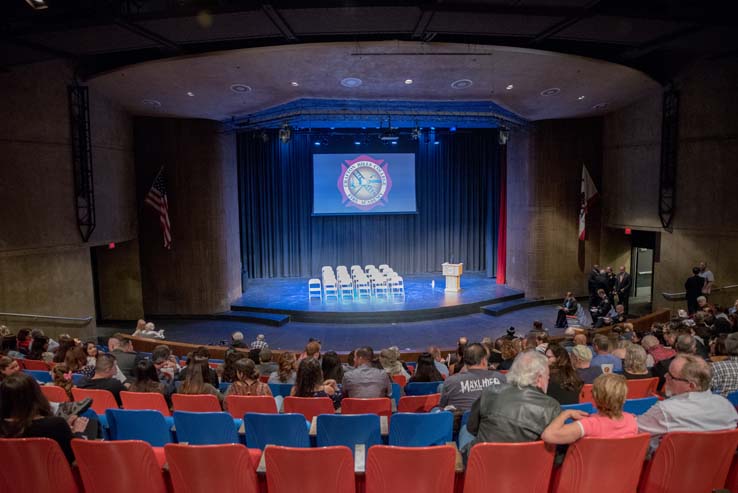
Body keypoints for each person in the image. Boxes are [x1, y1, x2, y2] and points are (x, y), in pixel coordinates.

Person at [638, 354, 738, 452]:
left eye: (671, 376)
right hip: (716, 467)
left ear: (691, 385)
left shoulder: (666, 410)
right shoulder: (726, 406)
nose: (665, 376)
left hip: (671, 467)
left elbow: (633, 431)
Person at [465, 350, 561, 453]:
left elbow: (472, 428)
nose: (548, 379)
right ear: (539, 378)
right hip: (528, 465)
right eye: (547, 376)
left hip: (483, 463)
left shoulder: (491, 391)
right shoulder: (552, 406)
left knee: (464, 431)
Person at [0, 373, 89, 464]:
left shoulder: (4, 427)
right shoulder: (55, 425)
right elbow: (77, 461)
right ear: (36, 395)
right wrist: (78, 433)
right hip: (56, 477)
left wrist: (65, 429)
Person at [542, 373, 638, 444]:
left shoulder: (588, 425)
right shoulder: (632, 421)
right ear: (624, 398)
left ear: (595, 397)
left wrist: (566, 414)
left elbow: (548, 435)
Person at [439, 343, 506, 413]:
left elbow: (442, 408)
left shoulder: (450, 381)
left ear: (465, 361)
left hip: (464, 422)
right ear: (483, 361)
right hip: (494, 421)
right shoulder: (500, 377)